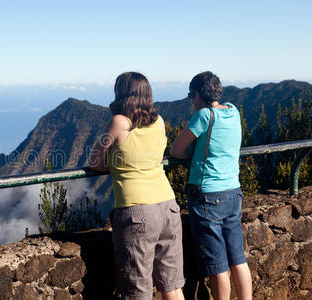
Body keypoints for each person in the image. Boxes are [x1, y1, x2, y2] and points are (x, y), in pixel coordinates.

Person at [89, 72, 185, 300]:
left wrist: (114, 165)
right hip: (169, 206)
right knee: (171, 285)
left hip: (136, 212)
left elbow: (94, 161)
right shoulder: (159, 121)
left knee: (137, 291)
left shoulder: (118, 123)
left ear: (120, 93)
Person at [170, 71, 252, 300]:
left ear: (197, 95)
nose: (190, 100)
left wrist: (194, 155)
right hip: (233, 193)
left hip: (208, 197)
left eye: (190, 95)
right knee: (238, 259)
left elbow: (176, 151)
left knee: (217, 266)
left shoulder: (204, 116)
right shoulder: (233, 111)